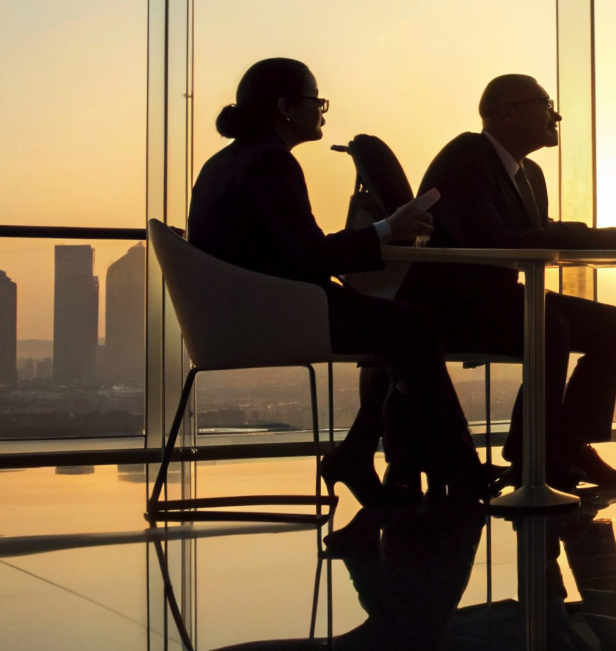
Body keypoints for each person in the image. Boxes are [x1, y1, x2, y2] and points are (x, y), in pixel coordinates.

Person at [186, 57, 489, 502]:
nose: (322, 110)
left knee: (399, 326)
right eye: (316, 100)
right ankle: (459, 468)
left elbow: (290, 252)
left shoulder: (226, 162)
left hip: (240, 313)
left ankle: (372, 453)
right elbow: (309, 255)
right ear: (287, 106)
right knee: (416, 324)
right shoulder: (273, 163)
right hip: (279, 313)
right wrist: (389, 229)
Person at [398, 74, 616, 488]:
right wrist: (594, 236)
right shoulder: (465, 157)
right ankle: (534, 452)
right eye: (546, 104)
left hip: (500, 299)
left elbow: (539, 231)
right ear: (508, 111)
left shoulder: (530, 172)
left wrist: (606, 238)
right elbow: (490, 240)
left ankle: (569, 443)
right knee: (548, 324)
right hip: (449, 305)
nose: (556, 115)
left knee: (614, 325)